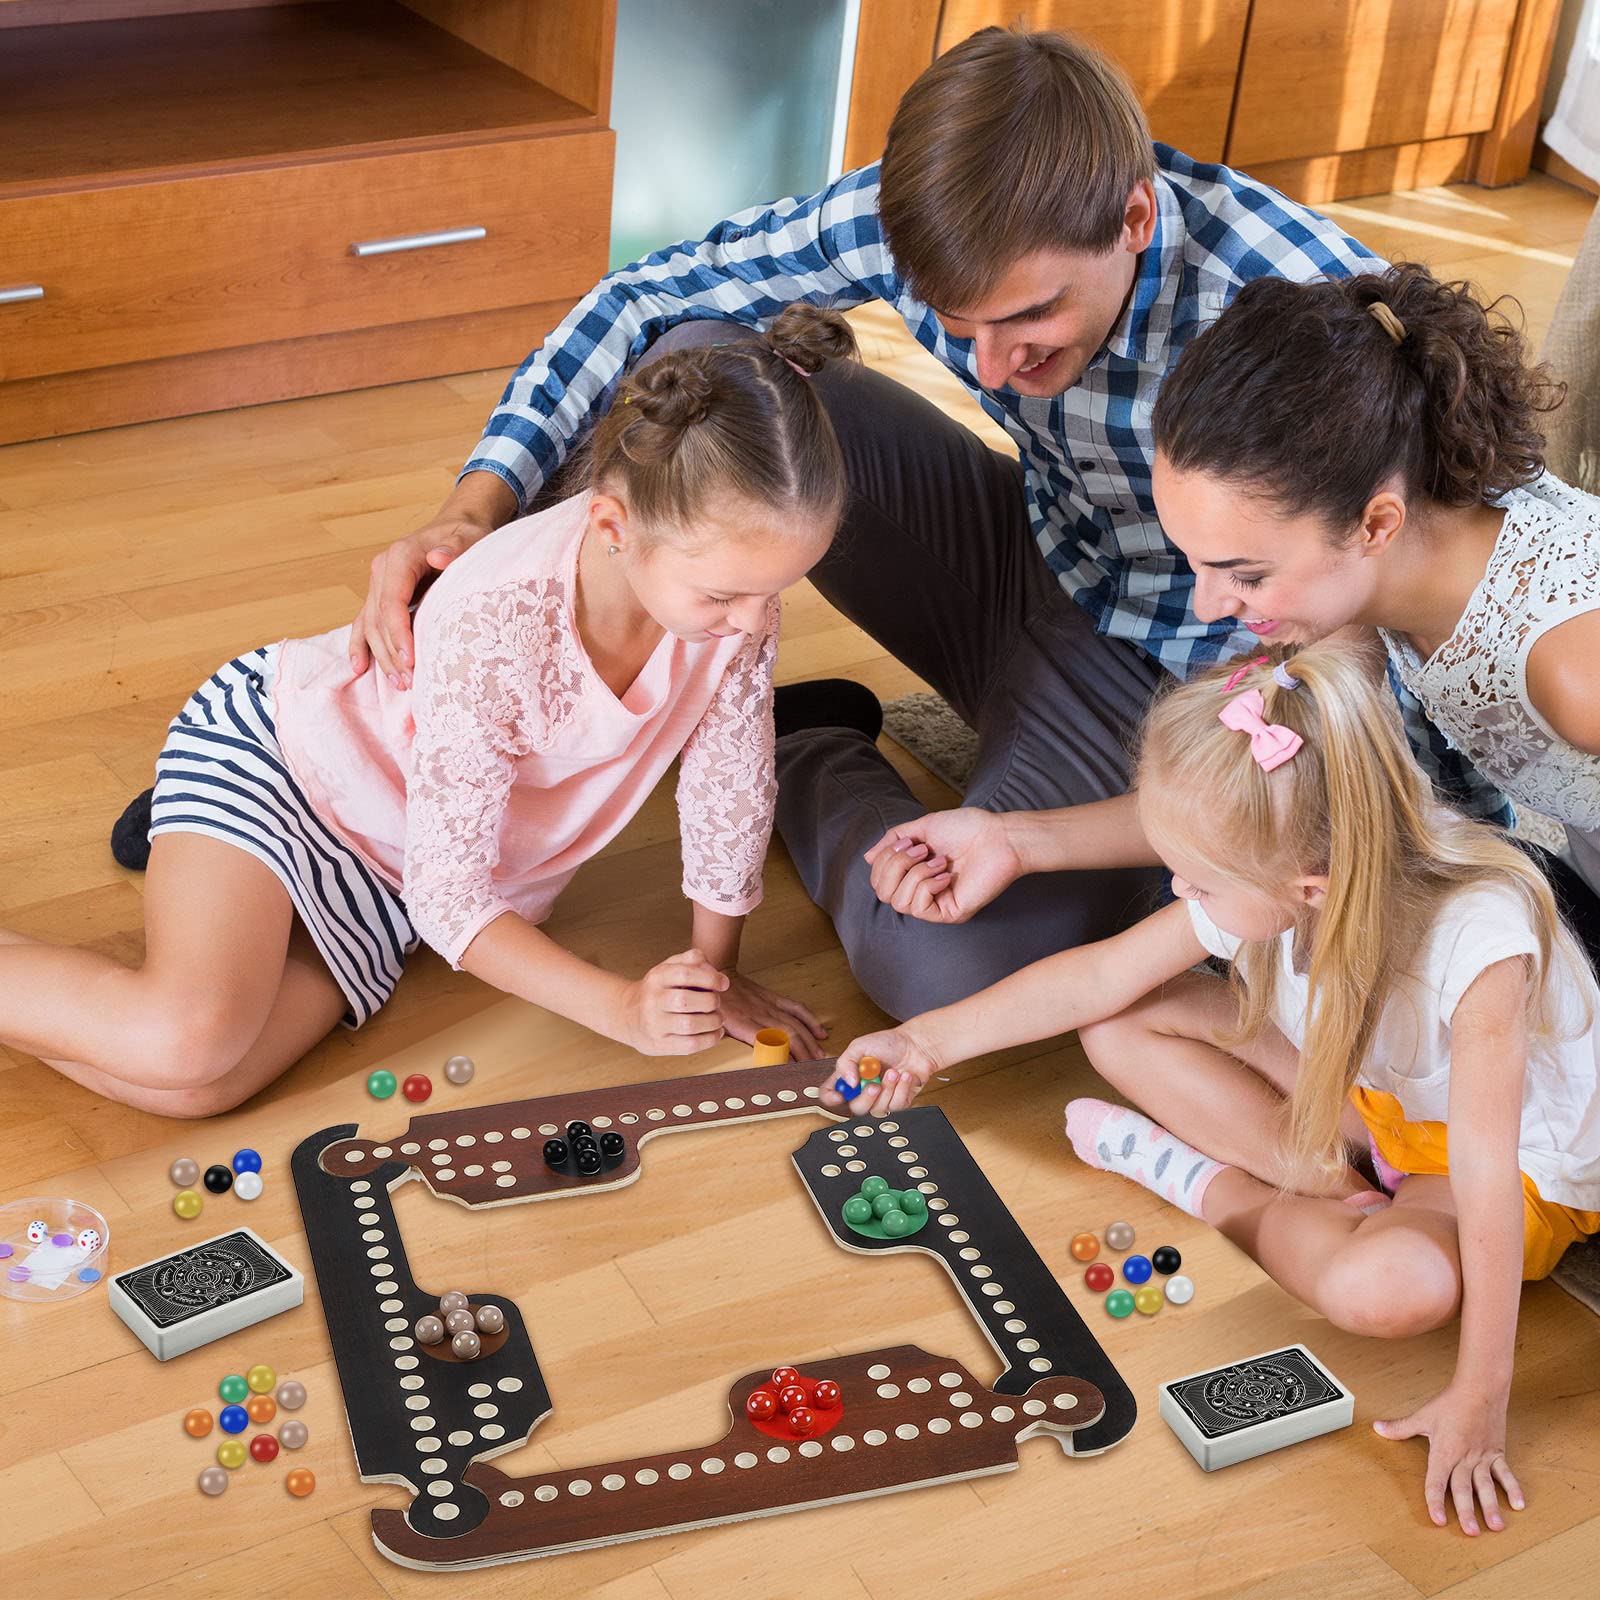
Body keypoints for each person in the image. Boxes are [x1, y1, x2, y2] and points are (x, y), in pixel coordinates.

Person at [330, 28, 1507, 1021]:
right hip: (1025, 553)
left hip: (1185, 672)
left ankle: (798, 751)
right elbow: (647, 295)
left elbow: (1441, 575)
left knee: (936, 963)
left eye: (1032, 319)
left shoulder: (1284, 304)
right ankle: (427, 713)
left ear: (1135, 216)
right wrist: (471, 511)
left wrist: (1337, 839)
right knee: (699, 364)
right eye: (957, 324)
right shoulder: (935, 218)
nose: (993, 365)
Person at [821, 645, 1600, 1537]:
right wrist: (923, 1040)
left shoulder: (1481, 942)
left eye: (1195, 882)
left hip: (1501, 1162)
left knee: (1387, 1288)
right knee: (1119, 1022)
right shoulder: (1288, 857)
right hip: (1378, 1100)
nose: (1179, 892)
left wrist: (1480, 1396)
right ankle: (1340, 1189)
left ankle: (1208, 1185)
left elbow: (1490, 1180)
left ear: (1310, 890)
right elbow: (1099, 980)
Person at [11, 307, 854, 1116]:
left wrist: (713, 973)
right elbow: (450, 900)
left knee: (201, 1089)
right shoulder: (497, 619)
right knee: (185, 1042)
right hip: (290, 763)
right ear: (613, 525)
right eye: (726, 594)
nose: (754, 620)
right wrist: (621, 1008)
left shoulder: (736, 606)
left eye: (774, 590)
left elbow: (729, 787)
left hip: (394, 868)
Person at [1148, 261, 1600, 962]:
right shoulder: (1397, 566)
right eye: (1195, 560)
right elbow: (1231, 794)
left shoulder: (1572, 672)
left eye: (1246, 574)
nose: (1209, 606)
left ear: (1375, 524)